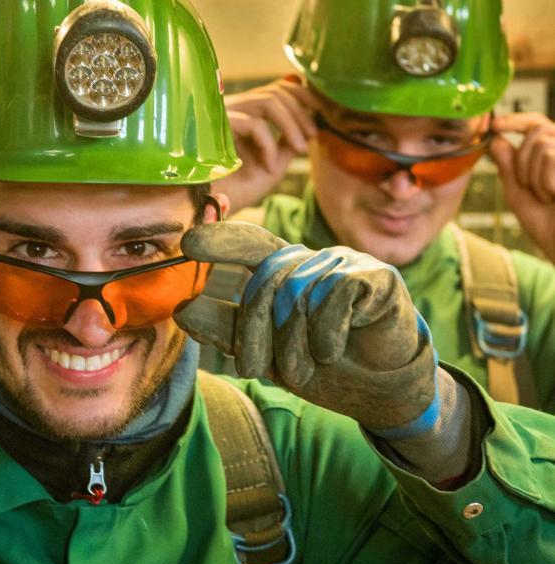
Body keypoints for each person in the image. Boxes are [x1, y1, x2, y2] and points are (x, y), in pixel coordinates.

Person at [0, 1, 554, 564]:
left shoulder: (303, 468)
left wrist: (442, 429)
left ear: (211, 232)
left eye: (141, 253)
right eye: (33, 256)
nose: (91, 327)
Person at [213, 0, 555, 411]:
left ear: (490, 134)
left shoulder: (532, 302)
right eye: (367, 139)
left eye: (442, 145)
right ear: (305, 112)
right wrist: (190, 204)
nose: (401, 188)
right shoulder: (211, 267)